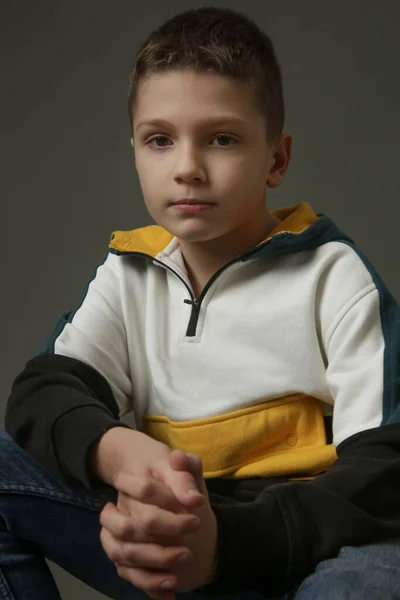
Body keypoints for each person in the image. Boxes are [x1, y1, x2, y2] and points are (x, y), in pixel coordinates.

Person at [2, 5, 400, 600]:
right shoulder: (129, 273)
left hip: (303, 550)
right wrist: (122, 454)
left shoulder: (331, 274)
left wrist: (230, 545)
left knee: (376, 576)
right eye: (160, 140)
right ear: (135, 150)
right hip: (179, 543)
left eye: (222, 139)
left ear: (277, 158)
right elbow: (42, 393)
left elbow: (385, 467)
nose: (187, 169)